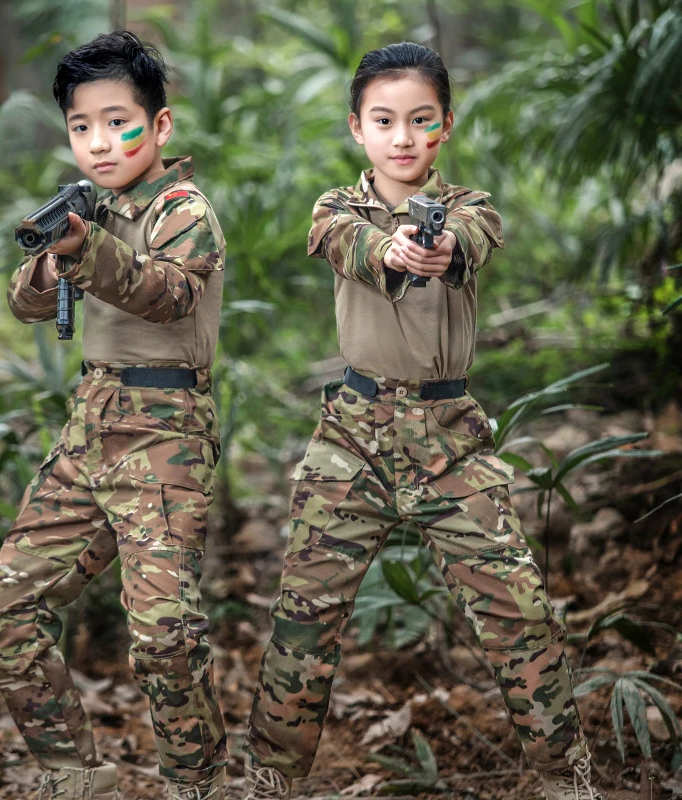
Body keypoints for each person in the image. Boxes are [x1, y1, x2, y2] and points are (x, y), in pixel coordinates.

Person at [241, 42, 604, 800]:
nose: (402, 136)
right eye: (384, 120)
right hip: (353, 437)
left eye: (420, 120)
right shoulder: (336, 209)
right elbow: (352, 244)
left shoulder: (472, 210)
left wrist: (439, 248)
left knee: (518, 607)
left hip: (450, 441)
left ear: (445, 126)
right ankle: (271, 776)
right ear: (356, 128)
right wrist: (395, 248)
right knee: (305, 616)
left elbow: (470, 240)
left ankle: (562, 773)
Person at [0, 31, 228, 800]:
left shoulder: (184, 211)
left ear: (160, 127)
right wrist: (54, 256)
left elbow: (170, 293)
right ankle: (75, 776)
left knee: (163, 639)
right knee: (7, 608)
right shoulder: (92, 212)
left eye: (116, 122)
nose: (97, 141)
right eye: (80, 126)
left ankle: (198, 785)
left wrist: (87, 252)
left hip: (164, 436)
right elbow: (24, 303)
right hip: (91, 430)